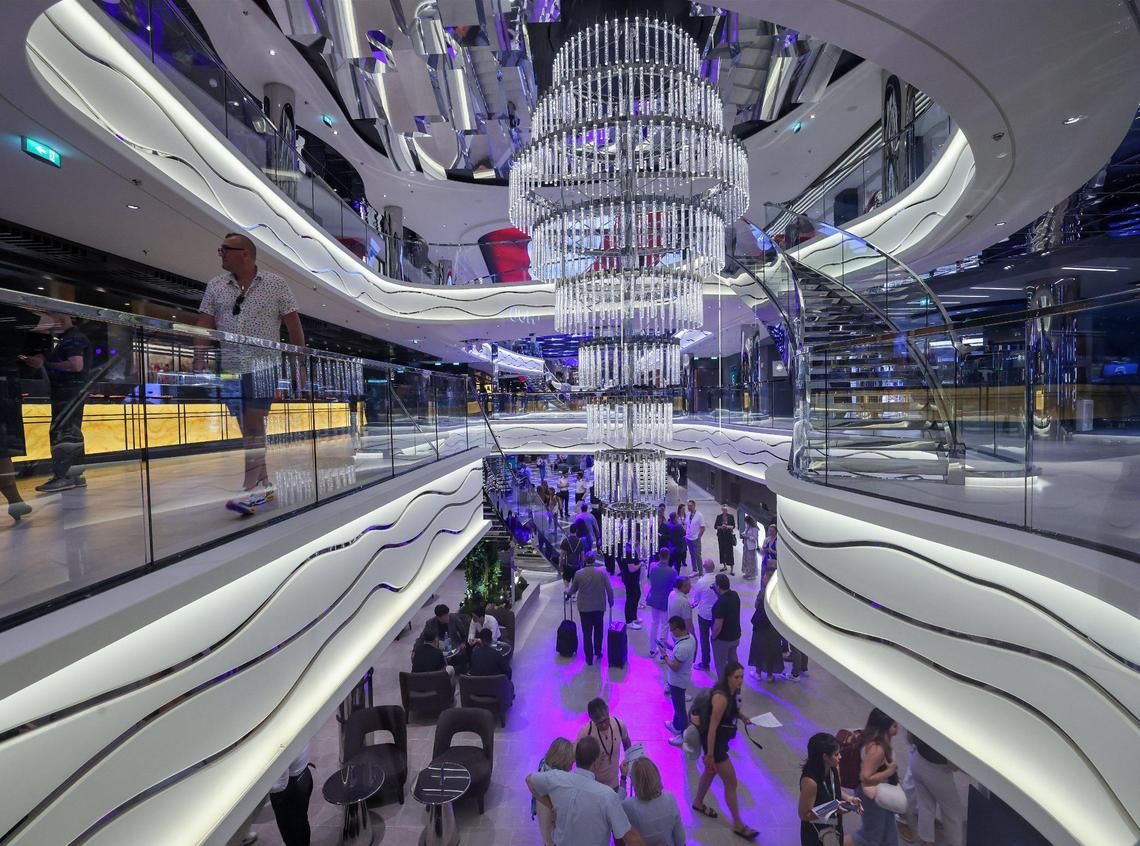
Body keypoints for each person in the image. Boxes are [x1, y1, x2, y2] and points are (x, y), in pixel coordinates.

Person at [197, 232, 305, 515]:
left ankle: (249, 489)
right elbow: (205, 325)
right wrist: (199, 355)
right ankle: (265, 483)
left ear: (245, 253)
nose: (220, 253)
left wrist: (299, 367)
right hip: (230, 368)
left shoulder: (275, 284)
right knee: (246, 428)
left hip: (263, 366)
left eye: (225, 249)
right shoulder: (216, 286)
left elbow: (294, 329)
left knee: (255, 426)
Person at [526, 736, 645, 846]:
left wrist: (551, 805)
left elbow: (529, 780)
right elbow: (631, 838)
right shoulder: (607, 796)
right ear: (595, 763)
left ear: (576, 758)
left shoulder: (556, 778)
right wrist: (623, 778)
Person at [3, 306, 63, 520]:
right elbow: (52, 322)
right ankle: (15, 501)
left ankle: (15, 500)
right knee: (3, 448)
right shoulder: (9, 312)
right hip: (4, 385)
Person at [691, 661, 760, 840]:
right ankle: (738, 824)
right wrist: (710, 754)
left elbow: (732, 711)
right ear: (728, 677)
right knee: (731, 783)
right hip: (716, 744)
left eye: (742, 676)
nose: (740, 680)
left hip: (720, 741)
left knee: (710, 772)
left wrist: (743, 718)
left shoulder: (733, 691)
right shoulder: (721, 697)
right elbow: (712, 728)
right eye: (736, 677)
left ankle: (698, 802)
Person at [29, 314, 91, 493]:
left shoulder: (72, 339)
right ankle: (75, 475)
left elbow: (76, 365)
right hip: (72, 393)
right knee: (71, 433)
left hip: (67, 393)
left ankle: (62, 477)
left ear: (60, 321)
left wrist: (46, 364)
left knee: (61, 433)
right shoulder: (73, 338)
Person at [798, 733, 862, 846]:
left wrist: (849, 798)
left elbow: (835, 790)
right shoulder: (810, 782)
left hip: (835, 826)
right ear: (825, 757)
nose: (840, 757)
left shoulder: (834, 767)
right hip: (816, 833)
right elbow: (804, 814)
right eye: (836, 754)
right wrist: (832, 808)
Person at [853, 709, 901, 846]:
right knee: (869, 838)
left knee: (889, 836)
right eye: (893, 724)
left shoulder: (879, 741)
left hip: (881, 791)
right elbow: (865, 777)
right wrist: (890, 771)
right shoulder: (877, 748)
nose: (897, 725)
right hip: (871, 795)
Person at [907, 733, 963, 846]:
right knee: (953, 813)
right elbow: (955, 766)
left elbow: (910, 738)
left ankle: (926, 841)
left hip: (917, 759)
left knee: (925, 805)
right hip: (937, 772)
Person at [623, 757, 685, 846]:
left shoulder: (628, 805)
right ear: (657, 775)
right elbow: (680, 836)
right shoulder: (670, 798)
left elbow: (615, 807)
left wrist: (623, 778)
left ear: (634, 781)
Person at [566, 552, 615, 666]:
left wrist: (567, 593)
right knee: (598, 630)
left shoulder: (578, 574)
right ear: (594, 561)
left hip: (584, 608)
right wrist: (611, 601)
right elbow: (609, 589)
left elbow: (572, 590)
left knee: (586, 632)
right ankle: (598, 651)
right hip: (599, 607)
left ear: (585, 561)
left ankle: (588, 658)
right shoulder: (602, 573)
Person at [576, 698, 633, 792]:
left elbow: (626, 742)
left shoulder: (619, 725)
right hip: (594, 786)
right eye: (599, 723)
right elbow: (578, 761)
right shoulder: (586, 732)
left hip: (614, 784)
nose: (603, 725)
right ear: (592, 719)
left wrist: (629, 759)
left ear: (608, 711)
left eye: (605, 720)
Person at [268, 743, 313, 846]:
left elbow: (280, 785)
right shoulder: (292, 727)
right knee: (301, 824)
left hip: (289, 791)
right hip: (304, 774)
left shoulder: (275, 740)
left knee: (292, 835)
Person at [532, 737, 574, 846]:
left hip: (547, 827)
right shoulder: (555, 783)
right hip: (554, 834)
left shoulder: (544, 768)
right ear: (562, 760)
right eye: (570, 760)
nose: (573, 762)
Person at [749, 567, 786, 681]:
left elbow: (756, 605)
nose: (763, 578)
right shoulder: (778, 593)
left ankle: (758, 673)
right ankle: (770, 674)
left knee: (759, 647)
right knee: (772, 649)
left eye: (765, 577)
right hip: (773, 626)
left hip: (761, 625)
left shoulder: (763, 592)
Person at [661, 615, 695, 741]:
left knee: (680, 709)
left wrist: (665, 656)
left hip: (677, 682)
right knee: (677, 705)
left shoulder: (683, 647)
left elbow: (675, 667)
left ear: (677, 630)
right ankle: (675, 726)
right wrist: (669, 647)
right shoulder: (690, 638)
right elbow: (678, 652)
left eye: (671, 629)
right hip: (682, 679)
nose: (671, 632)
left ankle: (683, 735)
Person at [645, 549, 676, 657]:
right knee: (665, 626)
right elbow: (674, 586)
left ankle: (652, 649)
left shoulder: (652, 566)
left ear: (659, 556)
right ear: (668, 557)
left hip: (653, 599)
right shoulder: (672, 571)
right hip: (664, 601)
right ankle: (663, 654)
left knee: (654, 623)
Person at [711, 573, 742, 677]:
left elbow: (718, 626)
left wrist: (713, 637)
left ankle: (723, 687)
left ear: (718, 586)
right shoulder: (735, 595)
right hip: (735, 635)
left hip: (723, 639)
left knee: (721, 664)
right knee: (733, 661)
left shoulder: (720, 604)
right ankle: (735, 684)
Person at [691, 558, 718, 671]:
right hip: (717, 615)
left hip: (704, 614)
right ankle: (719, 662)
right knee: (717, 639)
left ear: (704, 568)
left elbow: (696, 600)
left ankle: (705, 662)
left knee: (704, 639)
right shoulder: (718, 580)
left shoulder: (701, 582)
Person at [618, 543, 643, 629]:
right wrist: (640, 564)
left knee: (637, 595)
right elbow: (631, 569)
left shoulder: (629, 549)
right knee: (631, 599)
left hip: (633, 579)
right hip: (630, 579)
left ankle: (634, 616)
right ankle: (629, 621)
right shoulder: (629, 552)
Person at [559, 523, 586, 591]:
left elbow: (561, 555)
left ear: (570, 530)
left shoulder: (565, 541)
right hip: (577, 566)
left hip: (567, 565)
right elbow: (582, 556)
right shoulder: (580, 542)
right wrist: (582, 565)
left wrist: (561, 564)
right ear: (576, 531)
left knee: (566, 580)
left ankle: (567, 591)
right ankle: (573, 596)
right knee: (575, 582)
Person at [714, 504, 737, 574]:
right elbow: (715, 526)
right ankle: (724, 566)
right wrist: (721, 527)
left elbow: (733, 526)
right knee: (722, 551)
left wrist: (728, 527)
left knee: (730, 552)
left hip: (728, 537)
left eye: (726, 510)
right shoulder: (719, 517)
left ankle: (732, 569)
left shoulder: (731, 516)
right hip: (721, 536)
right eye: (724, 509)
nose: (725, 511)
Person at [684, 499, 706, 573]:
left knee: (698, 555)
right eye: (688, 506)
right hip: (688, 538)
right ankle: (694, 570)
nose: (689, 507)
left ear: (694, 506)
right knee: (692, 554)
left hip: (695, 538)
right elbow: (686, 525)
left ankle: (700, 571)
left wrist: (698, 537)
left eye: (690, 506)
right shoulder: (687, 514)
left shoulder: (699, 515)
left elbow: (703, 527)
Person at [741, 515, 760, 580]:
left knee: (751, 561)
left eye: (747, 522)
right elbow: (745, 532)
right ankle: (747, 573)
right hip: (746, 546)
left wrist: (747, 537)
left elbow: (755, 538)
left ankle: (753, 574)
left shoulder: (755, 529)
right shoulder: (748, 526)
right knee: (746, 560)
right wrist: (743, 534)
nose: (746, 524)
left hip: (751, 547)